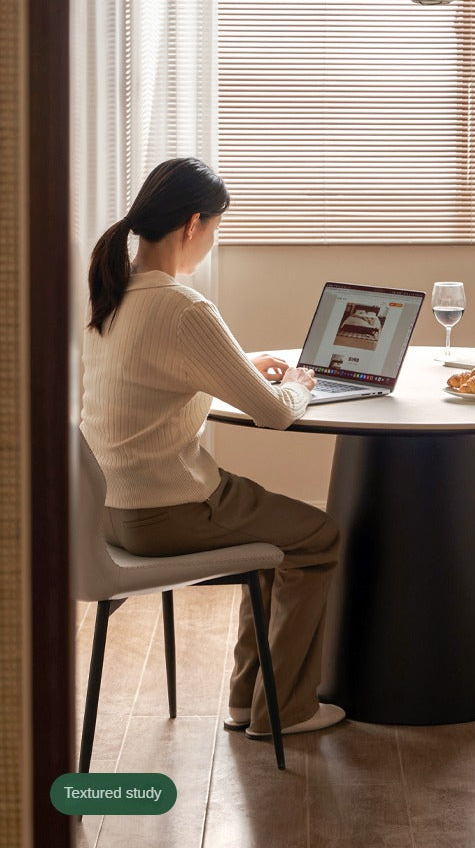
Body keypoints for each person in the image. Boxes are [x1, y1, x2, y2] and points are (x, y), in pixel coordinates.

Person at [80, 156, 344, 739]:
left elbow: (150, 372)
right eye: (217, 229)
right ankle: (290, 708)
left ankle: (253, 701)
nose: (213, 242)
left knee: (272, 536)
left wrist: (243, 365)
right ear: (193, 224)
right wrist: (297, 384)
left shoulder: (112, 296)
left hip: (108, 517)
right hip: (171, 509)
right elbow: (274, 413)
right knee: (318, 536)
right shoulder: (183, 306)